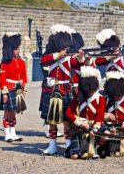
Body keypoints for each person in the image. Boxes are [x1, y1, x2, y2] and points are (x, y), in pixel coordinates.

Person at [40, 24, 85, 155]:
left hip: (65, 89)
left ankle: (69, 145)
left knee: (67, 120)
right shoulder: (52, 56)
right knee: (52, 120)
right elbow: (43, 60)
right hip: (53, 89)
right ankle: (52, 144)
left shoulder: (70, 58)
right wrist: (58, 55)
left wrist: (82, 57)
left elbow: (78, 65)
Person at [65, 66, 105, 159]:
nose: (90, 93)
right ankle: (73, 148)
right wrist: (81, 122)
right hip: (81, 128)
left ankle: (95, 148)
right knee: (74, 156)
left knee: (105, 134)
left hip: (95, 127)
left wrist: (94, 129)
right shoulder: (79, 98)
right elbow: (69, 113)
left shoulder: (100, 98)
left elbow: (100, 117)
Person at [0, 33, 27, 142]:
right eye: (16, 48)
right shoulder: (5, 62)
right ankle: (7, 134)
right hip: (9, 88)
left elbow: (24, 76)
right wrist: (4, 92)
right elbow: (1, 79)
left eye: (18, 48)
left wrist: (24, 88)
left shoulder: (21, 62)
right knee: (7, 112)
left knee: (14, 111)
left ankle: (13, 132)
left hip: (18, 88)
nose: (18, 50)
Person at [103, 71, 124, 156]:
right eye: (116, 95)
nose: (117, 97)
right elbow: (100, 114)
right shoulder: (107, 99)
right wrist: (107, 115)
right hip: (110, 126)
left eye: (119, 95)